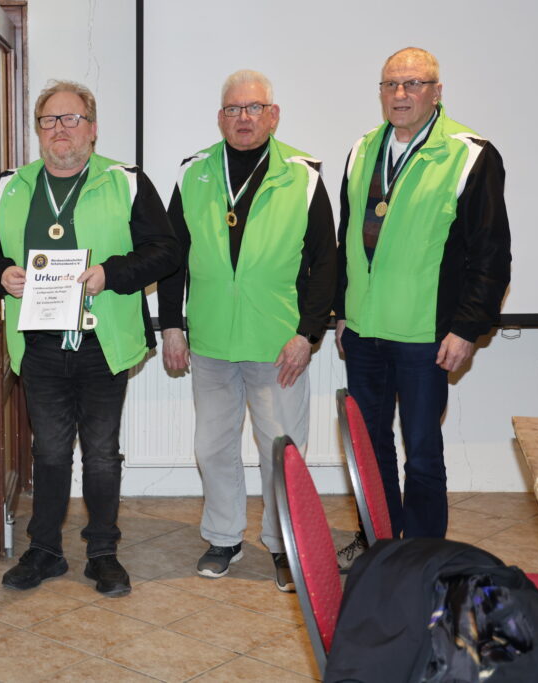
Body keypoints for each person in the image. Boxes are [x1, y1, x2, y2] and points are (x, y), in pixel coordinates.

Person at [0, 80, 178, 597]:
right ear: (38, 130)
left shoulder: (126, 181)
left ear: (92, 128)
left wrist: (112, 273)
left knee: (102, 453)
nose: (59, 129)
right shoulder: (8, 186)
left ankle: (103, 553)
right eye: (49, 120)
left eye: (71, 119)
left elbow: (166, 249)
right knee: (49, 452)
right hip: (39, 346)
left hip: (103, 342)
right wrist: (1, 274)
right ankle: (44, 551)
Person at [157, 70, 336, 592]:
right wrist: (172, 326)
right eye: (233, 109)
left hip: (277, 344)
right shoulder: (193, 173)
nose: (243, 118)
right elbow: (171, 258)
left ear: (273, 116)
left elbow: (326, 263)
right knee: (212, 447)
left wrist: (307, 334)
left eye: (254, 108)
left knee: (281, 450)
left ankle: (284, 543)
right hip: (211, 340)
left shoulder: (303, 176)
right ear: (220, 118)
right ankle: (222, 537)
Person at [334, 47, 511, 553]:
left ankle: (423, 557)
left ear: (437, 92)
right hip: (364, 333)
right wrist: (343, 312)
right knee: (371, 452)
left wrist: (467, 327)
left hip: (425, 337)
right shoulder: (362, 149)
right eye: (390, 84)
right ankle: (378, 546)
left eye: (413, 83)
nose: (400, 94)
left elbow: (492, 253)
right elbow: (348, 236)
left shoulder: (469, 154)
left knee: (423, 456)